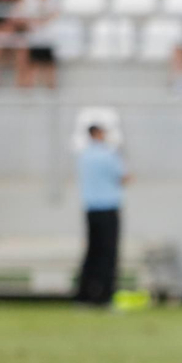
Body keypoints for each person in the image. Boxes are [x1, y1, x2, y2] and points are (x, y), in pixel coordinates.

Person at [76, 124, 127, 308]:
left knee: (92, 253)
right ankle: (104, 297)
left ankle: (83, 296)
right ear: (97, 134)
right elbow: (123, 177)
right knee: (108, 255)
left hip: (91, 208)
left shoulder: (84, 156)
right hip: (108, 208)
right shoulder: (109, 155)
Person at [20, 0, 60, 90]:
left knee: (49, 66)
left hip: (48, 40)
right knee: (33, 66)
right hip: (35, 40)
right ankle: (29, 90)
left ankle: (51, 89)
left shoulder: (52, 2)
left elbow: (55, 15)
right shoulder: (32, 3)